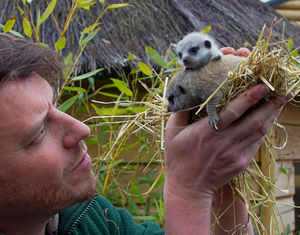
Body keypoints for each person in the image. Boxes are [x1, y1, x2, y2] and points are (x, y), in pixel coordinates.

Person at [0, 33, 290, 235]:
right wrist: (188, 190)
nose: (81, 129)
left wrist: (221, 170)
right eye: (38, 133)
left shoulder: (90, 220)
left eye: (56, 105)